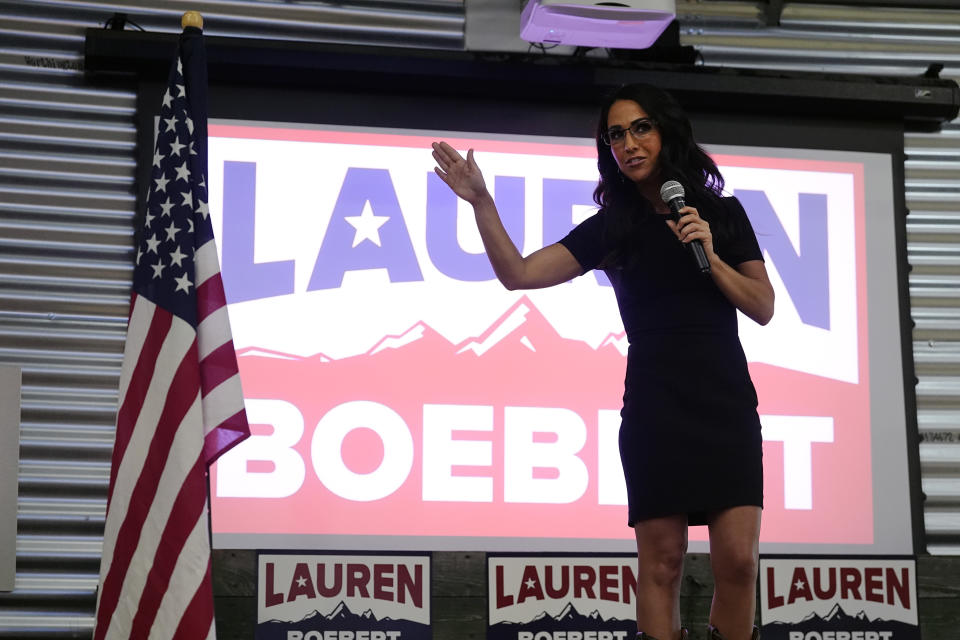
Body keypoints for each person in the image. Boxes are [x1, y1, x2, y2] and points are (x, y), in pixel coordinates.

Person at [431, 83, 773, 640]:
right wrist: (481, 202)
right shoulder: (615, 225)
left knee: (738, 562)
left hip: (726, 405)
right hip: (657, 410)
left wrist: (710, 258)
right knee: (661, 564)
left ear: (667, 132)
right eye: (615, 135)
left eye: (640, 128)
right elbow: (519, 274)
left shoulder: (722, 216)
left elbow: (763, 307)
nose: (629, 144)